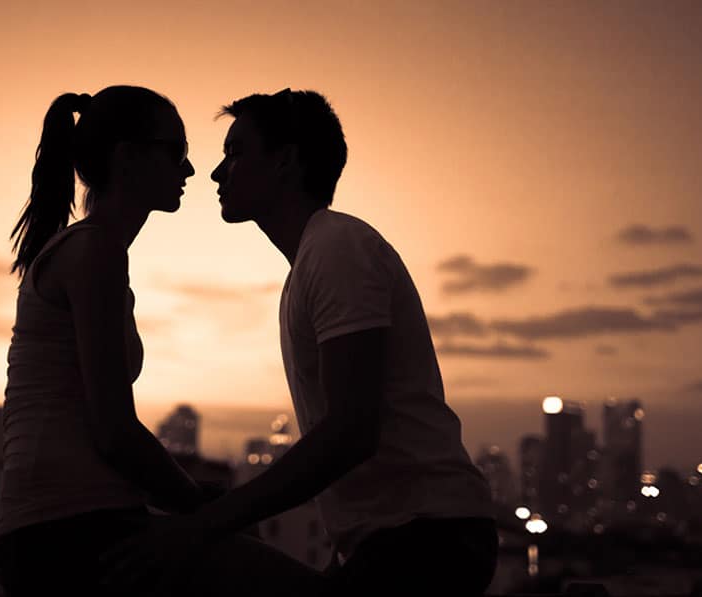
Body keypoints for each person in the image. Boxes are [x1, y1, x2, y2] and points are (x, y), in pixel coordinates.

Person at [103, 89, 497, 596]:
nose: (218, 173)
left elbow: (351, 431)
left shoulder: (337, 249)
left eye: (237, 151)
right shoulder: (312, 263)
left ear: (285, 160)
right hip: (392, 542)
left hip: (428, 541)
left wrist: (205, 523)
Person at [0, 86, 324, 597]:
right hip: (71, 534)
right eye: (177, 152)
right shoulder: (94, 252)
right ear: (128, 157)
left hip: (70, 526)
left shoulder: (92, 252)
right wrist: (205, 508)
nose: (191, 171)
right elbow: (113, 430)